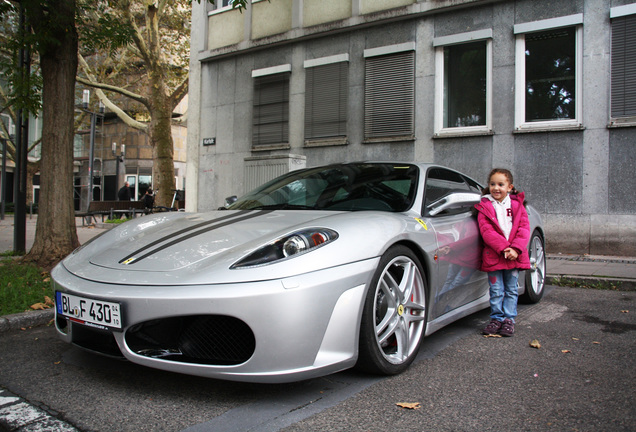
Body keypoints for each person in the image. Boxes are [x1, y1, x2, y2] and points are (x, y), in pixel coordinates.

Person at [474, 168, 531, 337]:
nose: (496, 188)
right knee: (496, 289)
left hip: (514, 255)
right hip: (494, 255)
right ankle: (496, 318)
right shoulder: (485, 206)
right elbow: (486, 231)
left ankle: (508, 320)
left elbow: (523, 228)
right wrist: (503, 248)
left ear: (510, 187)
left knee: (512, 289)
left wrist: (515, 249)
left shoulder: (517, 206)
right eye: (492, 184)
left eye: (501, 184)